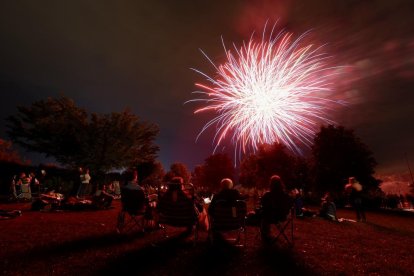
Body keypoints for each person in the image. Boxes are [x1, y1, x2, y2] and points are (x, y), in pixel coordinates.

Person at [260, 175, 293, 243]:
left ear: (271, 184)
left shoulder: (267, 195)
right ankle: (267, 234)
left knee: (263, 215)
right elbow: (290, 204)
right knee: (265, 214)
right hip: (282, 216)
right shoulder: (286, 196)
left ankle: (265, 235)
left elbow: (262, 204)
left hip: (270, 217)